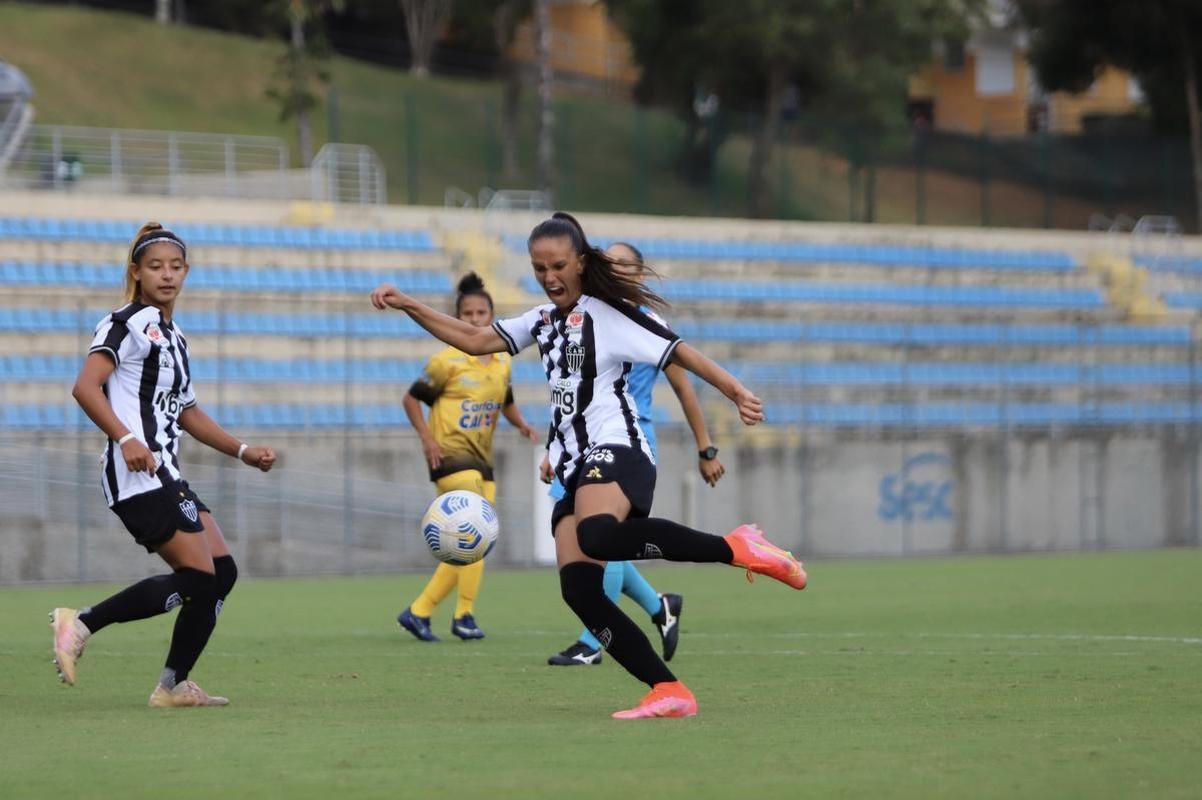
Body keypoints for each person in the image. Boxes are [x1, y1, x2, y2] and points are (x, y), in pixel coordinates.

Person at [371, 212, 806, 720]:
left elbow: (680, 355)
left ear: (580, 262)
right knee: (579, 590)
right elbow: (474, 340)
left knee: (598, 536)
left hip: (621, 448)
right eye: (538, 269)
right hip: (576, 465)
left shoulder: (612, 314)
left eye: (558, 265)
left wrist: (736, 393)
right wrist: (407, 305)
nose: (549, 277)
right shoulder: (541, 321)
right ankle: (668, 690)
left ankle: (738, 547)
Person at [50, 221, 277, 708]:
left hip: (167, 473)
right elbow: (85, 387)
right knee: (199, 579)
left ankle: (173, 685)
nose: (167, 275)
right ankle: (81, 623)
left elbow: (189, 411)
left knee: (223, 572)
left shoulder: (175, 338)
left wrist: (242, 450)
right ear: (136, 271)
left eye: (175, 266)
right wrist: (126, 436)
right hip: (135, 473)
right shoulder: (124, 323)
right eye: (155, 266)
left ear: (187, 272)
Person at [544, 241, 726, 667]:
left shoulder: (648, 324)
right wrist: (557, 446)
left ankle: (593, 641)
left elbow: (683, 387)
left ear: (640, 276)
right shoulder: (583, 318)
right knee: (586, 540)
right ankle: (660, 605)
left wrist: (706, 447)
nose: (616, 271)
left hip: (627, 445)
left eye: (626, 265)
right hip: (579, 447)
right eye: (611, 264)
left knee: (599, 538)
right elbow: (572, 389)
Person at [396, 272, 539, 642]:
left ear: (492, 316)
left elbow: (506, 401)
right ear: (457, 317)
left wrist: (521, 425)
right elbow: (411, 399)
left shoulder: (503, 360)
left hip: (483, 459)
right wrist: (427, 440)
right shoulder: (447, 360)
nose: (474, 320)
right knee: (475, 531)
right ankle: (464, 615)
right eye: (467, 314)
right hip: (450, 456)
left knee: (477, 540)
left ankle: (420, 611)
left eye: (481, 313)